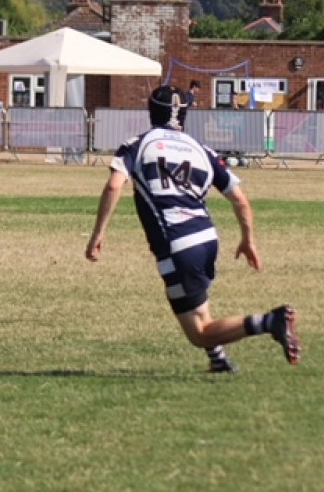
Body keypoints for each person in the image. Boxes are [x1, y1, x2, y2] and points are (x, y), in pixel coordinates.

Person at [85, 85, 300, 373]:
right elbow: (239, 198)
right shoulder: (202, 150)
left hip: (176, 243)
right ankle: (218, 360)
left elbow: (114, 185)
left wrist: (98, 233)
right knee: (197, 305)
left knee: (199, 333)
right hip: (207, 238)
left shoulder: (137, 144)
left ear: (151, 111)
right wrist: (248, 239)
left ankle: (269, 322)